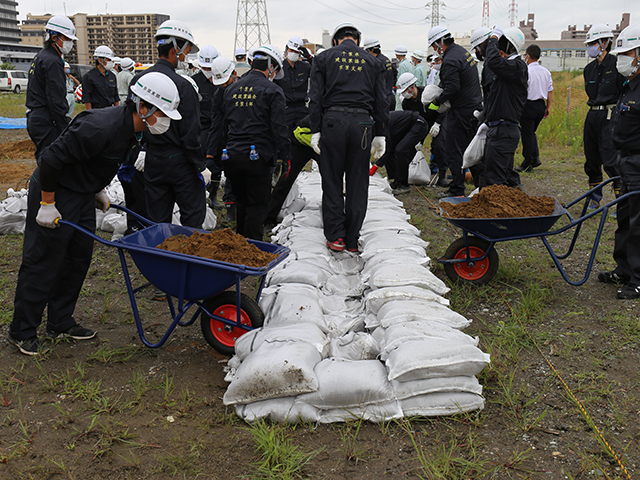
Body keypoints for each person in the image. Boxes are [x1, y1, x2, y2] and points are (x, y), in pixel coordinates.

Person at [8, 72, 181, 356]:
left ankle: (60, 321)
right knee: (44, 259)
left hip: (81, 192)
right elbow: (50, 160)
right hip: (56, 189)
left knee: (78, 257)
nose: (164, 122)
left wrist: (98, 189)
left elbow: (97, 161)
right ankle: (22, 330)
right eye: (162, 114)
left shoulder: (134, 132)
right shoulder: (100, 127)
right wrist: (47, 203)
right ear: (143, 107)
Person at [309, 22, 388, 252]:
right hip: (363, 124)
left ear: (335, 40)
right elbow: (382, 100)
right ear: (358, 41)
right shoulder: (373, 61)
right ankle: (352, 239)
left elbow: (315, 98)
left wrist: (316, 130)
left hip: (333, 122)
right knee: (357, 181)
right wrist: (381, 133)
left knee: (332, 179)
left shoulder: (323, 59)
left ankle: (336, 237)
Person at [131, 19, 208, 229]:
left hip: (152, 160)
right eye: (187, 51)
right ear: (177, 48)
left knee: (157, 221)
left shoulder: (137, 81)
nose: (186, 57)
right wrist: (200, 167)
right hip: (180, 161)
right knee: (192, 217)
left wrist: (142, 148)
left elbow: (132, 122)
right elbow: (191, 134)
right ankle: (188, 259)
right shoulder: (183, 86)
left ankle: (161, 257)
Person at [221, 45, 290, 240]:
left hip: (232, 155)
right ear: (271, 67)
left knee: (241, 203)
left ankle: (240, 245)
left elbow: (223, 125)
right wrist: (286, 157)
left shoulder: (232, 89)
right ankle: (251, 252)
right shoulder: (272, 90)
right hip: (257, 157)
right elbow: (279, 128)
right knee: (257, 205)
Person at [600, 24, 640, 299]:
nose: (621, 59)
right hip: (625, 162)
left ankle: (638, 278)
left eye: (627, 53)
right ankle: (623, 269)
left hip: (639, 164)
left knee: (639, 224)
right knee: (624, 219)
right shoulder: (629, 86)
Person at [427, 25, 482, 198]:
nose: (436, 50)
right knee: (471, 149)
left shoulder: (450, 59)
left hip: (461, 111)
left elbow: (452, 88)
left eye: (435, 46)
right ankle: (482, 186)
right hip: (474, 108)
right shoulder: (461, 52)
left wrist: (435, 102)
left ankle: (457, 188)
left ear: (440, 42)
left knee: (452, 149)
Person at [477, 26, 528, 189]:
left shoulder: (517, 67)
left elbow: (493, 61)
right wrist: (487, 118)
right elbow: (495, 98)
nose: (497, 48)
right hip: (500, 128)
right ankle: (517, 206)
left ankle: (500, 212)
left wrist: (493, 38)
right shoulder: (509, 70)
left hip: (504, 131)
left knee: (495, 177)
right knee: (505, 174)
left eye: (501, 44)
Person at [582, 24, 625, 209]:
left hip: (610, 115)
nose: (590, 46)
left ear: (605, 42)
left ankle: (621, 200)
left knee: (610, 159)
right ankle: (594, 198)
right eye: (589, 43)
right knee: (591, 158)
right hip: (592, 115)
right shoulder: (589, 69)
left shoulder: (616, 65)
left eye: (593, 43)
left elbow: (624, 91)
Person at [25, 15, 78, 162]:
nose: (70, 43)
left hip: (36, 117)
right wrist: (63, 125)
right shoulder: (53, 61)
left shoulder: (41, 56)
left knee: (45, 159)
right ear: (54, 38)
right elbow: (55, 97)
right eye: (67, 39)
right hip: (45, 118)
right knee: (50, 162)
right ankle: (40, 185)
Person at [265, 114, 317, 228]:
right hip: (301, 142)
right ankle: (269, 219)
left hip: (323, 144)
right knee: (286, 179)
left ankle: (335, 222)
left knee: (331, 183)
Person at [398, 72, 448, 185]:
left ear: (411, 87)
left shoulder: (427, 93)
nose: (404, 94)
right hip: (421, 123)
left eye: (405, 90)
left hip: (437, 119)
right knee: (411, 147)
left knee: (439, 145)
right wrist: (417, 140)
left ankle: (442, 176)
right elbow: (410, 120)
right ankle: (406, 173)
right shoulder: (407, 103)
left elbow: (442, 108)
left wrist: (438, 124)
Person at [206, 56, 238, 222]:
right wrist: (210, 154)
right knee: (227, 172)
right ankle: (230, 209)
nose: (224, 86)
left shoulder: (243, 89)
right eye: (221, 84)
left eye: (226, 82)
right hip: (225, 138)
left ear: (234, 74)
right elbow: (216, 124)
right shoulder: (218, 94)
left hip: (243, 139)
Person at [515, 44, 553, 173]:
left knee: (527, 135)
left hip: (528, 105)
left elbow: (522, 90)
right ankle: (535, 157)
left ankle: (527, 162)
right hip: (540, 105)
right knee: (531, 133)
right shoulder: (546, 72)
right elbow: (550, 91)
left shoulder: (527, 71)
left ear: (528, 56)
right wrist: (548, 107)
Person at [373, 110, 428, 194]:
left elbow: (390, 146)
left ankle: (404, 185)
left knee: (400, 151)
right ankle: (396, 180)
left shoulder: (388, 123)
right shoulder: (384, 124)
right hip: (406, 128)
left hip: (419, 125)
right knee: (392, 152)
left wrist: (376, 166)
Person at [192, 45, 221, 205]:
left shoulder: (221, 79)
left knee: (217, 162)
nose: (208, 70)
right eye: (205, 67)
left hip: (219, 128)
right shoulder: (194, 82)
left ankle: (214, 194)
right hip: (201, 127)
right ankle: (200, 193)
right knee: (201, 161)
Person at [363, 36, 396, 110]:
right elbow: (394, 73)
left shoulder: (376, 62)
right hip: (390, 97)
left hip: (382, 100)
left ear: (370, 50)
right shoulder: (385, 59)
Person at [82, 45, 119, 110]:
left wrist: (117, 112)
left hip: (110, 110)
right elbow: (87, 98)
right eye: (109, 60)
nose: (111, 62)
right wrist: (90, 114)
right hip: (97, 110)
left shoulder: (112, 76)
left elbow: (115, 96)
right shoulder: (89, 76)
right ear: (100, 60)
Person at [394, 45, 413, 110]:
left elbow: (400, 79)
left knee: (399, 108)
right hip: (409, 89)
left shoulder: (402, 65)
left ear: (398, 55)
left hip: (402, 90)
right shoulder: (409, 63)